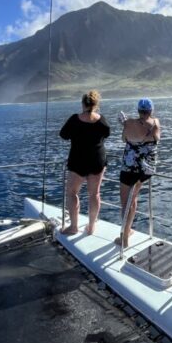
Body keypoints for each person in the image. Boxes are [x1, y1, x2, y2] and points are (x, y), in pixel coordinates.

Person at [58, 90, 110, 235]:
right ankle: (91, 227)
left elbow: (63, 135)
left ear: (83, 104)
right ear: (96, 104)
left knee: (72, 193)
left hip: (78, 161)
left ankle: (74, 227)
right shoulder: (101, 120)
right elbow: (107, 133)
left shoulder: (74, 119)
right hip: (97, 160)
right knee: (94, 194)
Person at [116, 98, 161, 247]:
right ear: (151, 110)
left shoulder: (129, 123)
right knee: (133, 199)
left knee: (125, 203)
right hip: (145, 170)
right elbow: (156, 139)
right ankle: (128, 230)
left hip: (129, 168)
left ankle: (124, 237)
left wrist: (126, 125)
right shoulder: (155, 123)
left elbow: (124, 139)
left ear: (138, 110)